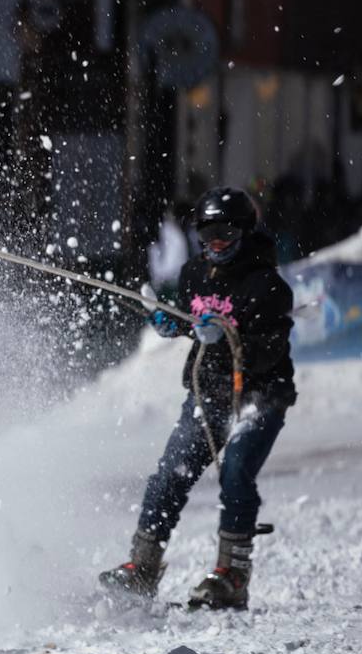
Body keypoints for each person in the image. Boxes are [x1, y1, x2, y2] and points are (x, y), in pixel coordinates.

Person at [100, 186, 296, 610]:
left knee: (236, 472)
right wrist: (175, 324)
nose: (216, 244)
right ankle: (142, 567)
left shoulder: (267, 285)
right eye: (207, 234)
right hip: (207, 393)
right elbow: (194, 321)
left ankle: (231, 576)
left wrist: (226, 335)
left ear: (245, 232)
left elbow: (270, 351)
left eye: (225, 233)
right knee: (171, 473)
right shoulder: (194, 274)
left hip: (258, 396)